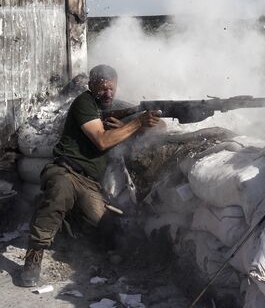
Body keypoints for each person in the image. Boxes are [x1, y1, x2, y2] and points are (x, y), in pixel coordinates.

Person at [19, 64, 161, 287]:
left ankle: (67, 225)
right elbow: (102, 140)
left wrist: (148, 118)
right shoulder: (84, 103)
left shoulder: (109, 108)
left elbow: (159, 127)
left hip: (89, 183)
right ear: (91, 86)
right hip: (65, 170)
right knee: (59, 193)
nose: (108, 93)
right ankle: (33, 256)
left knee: (105, 232)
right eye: (102, 89)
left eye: (112, 89)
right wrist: (137, 122)